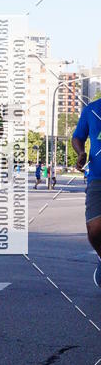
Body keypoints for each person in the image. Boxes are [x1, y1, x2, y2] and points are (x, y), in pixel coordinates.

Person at [72, 99, 101, 289]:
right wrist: (81, 153)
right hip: (98, 176)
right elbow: (77, 137)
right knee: (94, 229)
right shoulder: (92, 109)